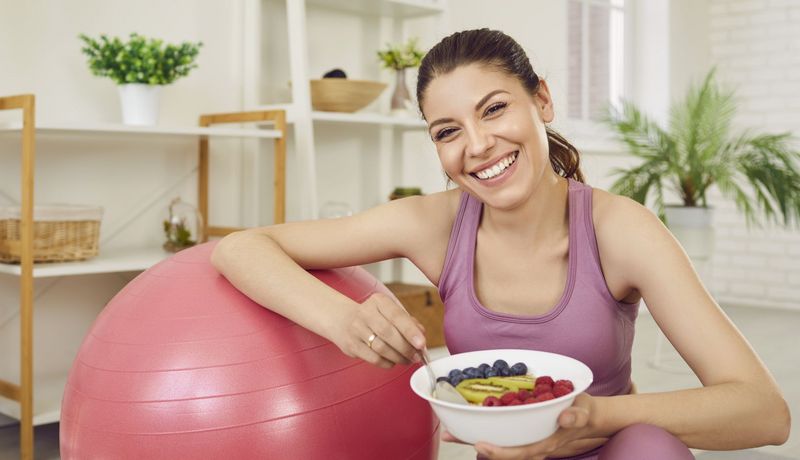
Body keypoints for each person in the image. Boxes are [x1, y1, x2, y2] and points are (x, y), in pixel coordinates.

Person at [212, 28, 790, 460]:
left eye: (494, 109)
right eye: (448, 131)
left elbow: (763, 411)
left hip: (613, 450)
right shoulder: (430, 224)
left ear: (542, 101)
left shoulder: (622, 231)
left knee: (650, 447)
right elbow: (242, 248)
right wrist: (342, 318)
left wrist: (588, 420)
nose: (479, 144)